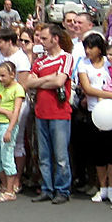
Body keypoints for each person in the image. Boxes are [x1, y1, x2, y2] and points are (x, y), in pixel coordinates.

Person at [27, 23, 74, 204]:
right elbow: (29, 83)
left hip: (59, 113)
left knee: (61, 155)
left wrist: (41, 80)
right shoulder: (40, 61)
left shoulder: (66, 58)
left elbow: (60, 81)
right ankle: (47, 188)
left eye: (45, 38)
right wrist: (48, 79)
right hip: (41, 112)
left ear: (56, 39)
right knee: (44, 155)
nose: (42, 42)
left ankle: (62, 189)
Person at [78, 35, 112, 204]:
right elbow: (88, 88)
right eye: (86, 47)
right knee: (98, 152)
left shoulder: (110, 62)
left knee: (111, 151)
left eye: (91, 47)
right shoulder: (83, 64)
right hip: (94, 113)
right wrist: (111, 95)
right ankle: (102, 187)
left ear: (99, 48)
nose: (88, 51)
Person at [0, 61, 25, 202]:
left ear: (12, 74)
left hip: (8, 126)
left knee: (7, 157)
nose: (1, 79)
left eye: (3, 76)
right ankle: (3, 184)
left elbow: (16, 111)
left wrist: (9, 129)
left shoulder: (18, 89)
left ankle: (10, 190)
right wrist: (5, 111)